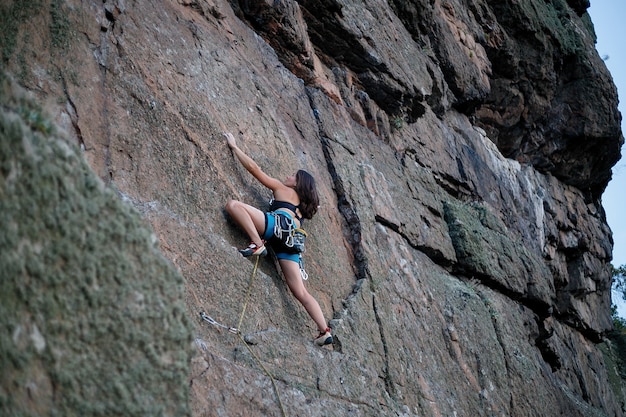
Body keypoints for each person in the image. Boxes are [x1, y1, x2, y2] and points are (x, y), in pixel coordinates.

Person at [224, 132, 333, 346]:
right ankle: (325, 330)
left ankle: (256, 243)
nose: (288, 176)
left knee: (233, 205)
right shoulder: (303, 208)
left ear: (298, 184)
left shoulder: (284, 190)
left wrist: (235, 148)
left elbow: (255, 170)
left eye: (293, 175)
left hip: (275, 227)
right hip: (291, 244)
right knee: (301, 292)